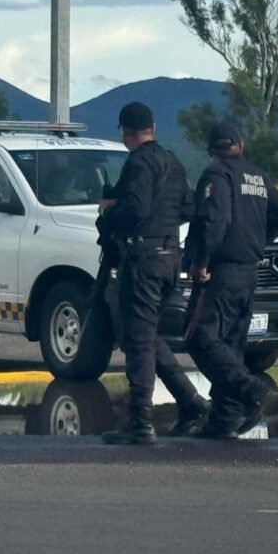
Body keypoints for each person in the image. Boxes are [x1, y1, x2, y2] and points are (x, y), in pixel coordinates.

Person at [99, 102, 209, 445]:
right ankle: (191, 402)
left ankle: (141, 423)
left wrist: (109, 214)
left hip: (144, 261)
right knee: (144, 335)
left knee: (139, 342)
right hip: (169, 259)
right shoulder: (173, 162)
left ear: (125, 132)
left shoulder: (139, 162)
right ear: (153, 127)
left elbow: (135, 209)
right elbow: (189, 207)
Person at [184, 122, 278, 439]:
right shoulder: (258, 177)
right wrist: (257, 238)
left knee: (198, 336)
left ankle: (249, 389)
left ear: (210, 151)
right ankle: (223, 421)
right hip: (249, 271)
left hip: (220, 271)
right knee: (230, 343)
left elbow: (214, 220)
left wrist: (202, 261)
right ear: (241, 146)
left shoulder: (217, 176)